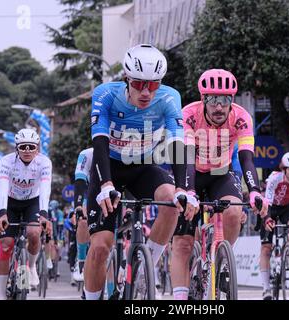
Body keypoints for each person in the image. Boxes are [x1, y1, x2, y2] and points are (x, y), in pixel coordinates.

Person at [84, 44, 198, 300]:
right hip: (109, 167)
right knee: (101, 246)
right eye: (138, 84)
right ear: (126, 79)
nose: (146, 92)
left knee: (171, 200)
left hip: (144, 167)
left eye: (153, 85)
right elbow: (99, 142)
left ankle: (146, 271)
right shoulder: (105, 94)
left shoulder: (169, 97)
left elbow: (177, 144)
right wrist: (105, 185)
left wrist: (183, 188)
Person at [170, 68, 269, 300]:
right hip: (191, 171)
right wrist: (190, 191)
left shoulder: (242, 117)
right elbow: (186, 157)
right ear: (203, 99)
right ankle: (181, 298)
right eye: (212, 99)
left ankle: (223, 258)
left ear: (231, 100)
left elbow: (246, 158)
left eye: (224, 100)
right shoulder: (189, 115)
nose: (218, 106)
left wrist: (254, 190)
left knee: (234, 211)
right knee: (183, 243)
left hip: (220, 173)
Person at [0, 128, 53, 300]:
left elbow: (45, 188)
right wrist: (2, 212)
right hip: (11, 202)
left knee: (34, 233)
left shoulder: (44, 162)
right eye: (23, 147)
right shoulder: (6, 161)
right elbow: (2, 187)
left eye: (31, 147)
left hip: (32, 202)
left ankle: (32, 266)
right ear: (17, 148)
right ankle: (1, 294)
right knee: (6, 244)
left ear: (37, 148)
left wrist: (43, 214)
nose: (27, 150)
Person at [259, 152, 289, 300]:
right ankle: (266, 289)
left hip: (286, 207)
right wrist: (267, 219)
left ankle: (285, 253)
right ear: (284, 170)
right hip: (270, 208)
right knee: (266, 248)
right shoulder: (275, 178)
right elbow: (266, 203)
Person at [72, 147, 93, 282]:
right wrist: (78, 206)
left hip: (114, 194)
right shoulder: (86, 154)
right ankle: (81, 261)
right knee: (84, 220)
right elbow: (80, 181)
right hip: (90, 194)